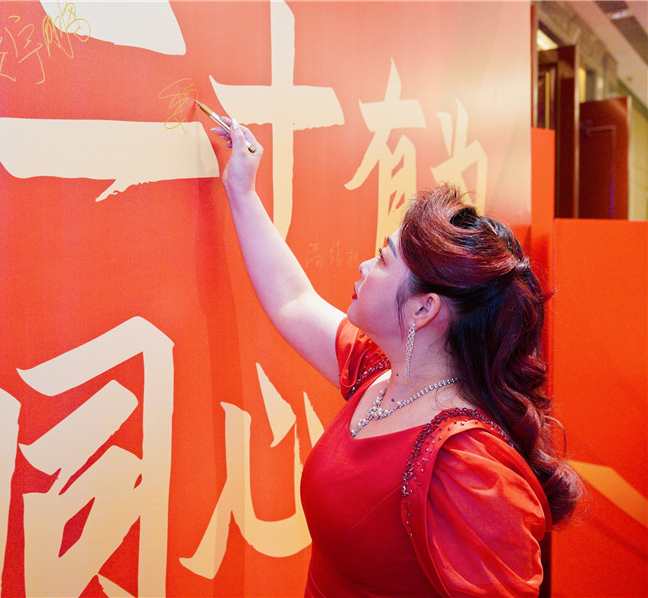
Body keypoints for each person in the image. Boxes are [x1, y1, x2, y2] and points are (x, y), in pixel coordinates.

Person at [210, 118, 582, 597]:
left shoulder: (467, 462)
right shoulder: (383, 376)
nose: (364, 266)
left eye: (383, 260)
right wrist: (241, 190)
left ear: (425, 308)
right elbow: (292, 300)